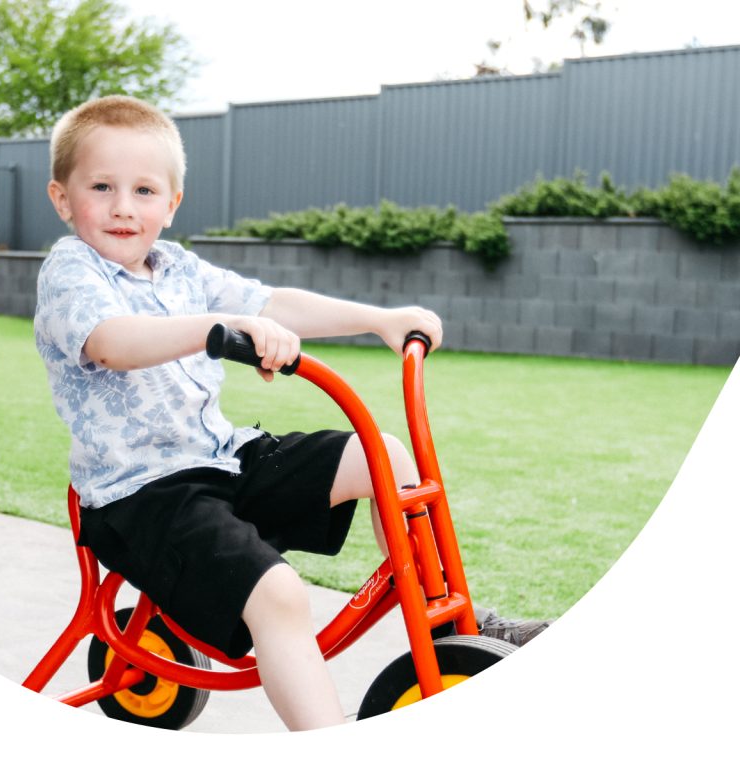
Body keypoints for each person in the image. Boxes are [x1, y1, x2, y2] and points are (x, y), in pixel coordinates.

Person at [34, 95, 546, 731]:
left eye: (143, 190)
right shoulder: (70, 270)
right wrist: (220, 326)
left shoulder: (178, 268)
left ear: (172, 204)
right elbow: (113, 341)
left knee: (384, 456)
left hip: (221, 461)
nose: (122, 207)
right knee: (278, 595)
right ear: (63, 198)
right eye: (101, 187)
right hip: (138, 496)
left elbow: (272, 303)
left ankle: (452, 628)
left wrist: (378, 321)